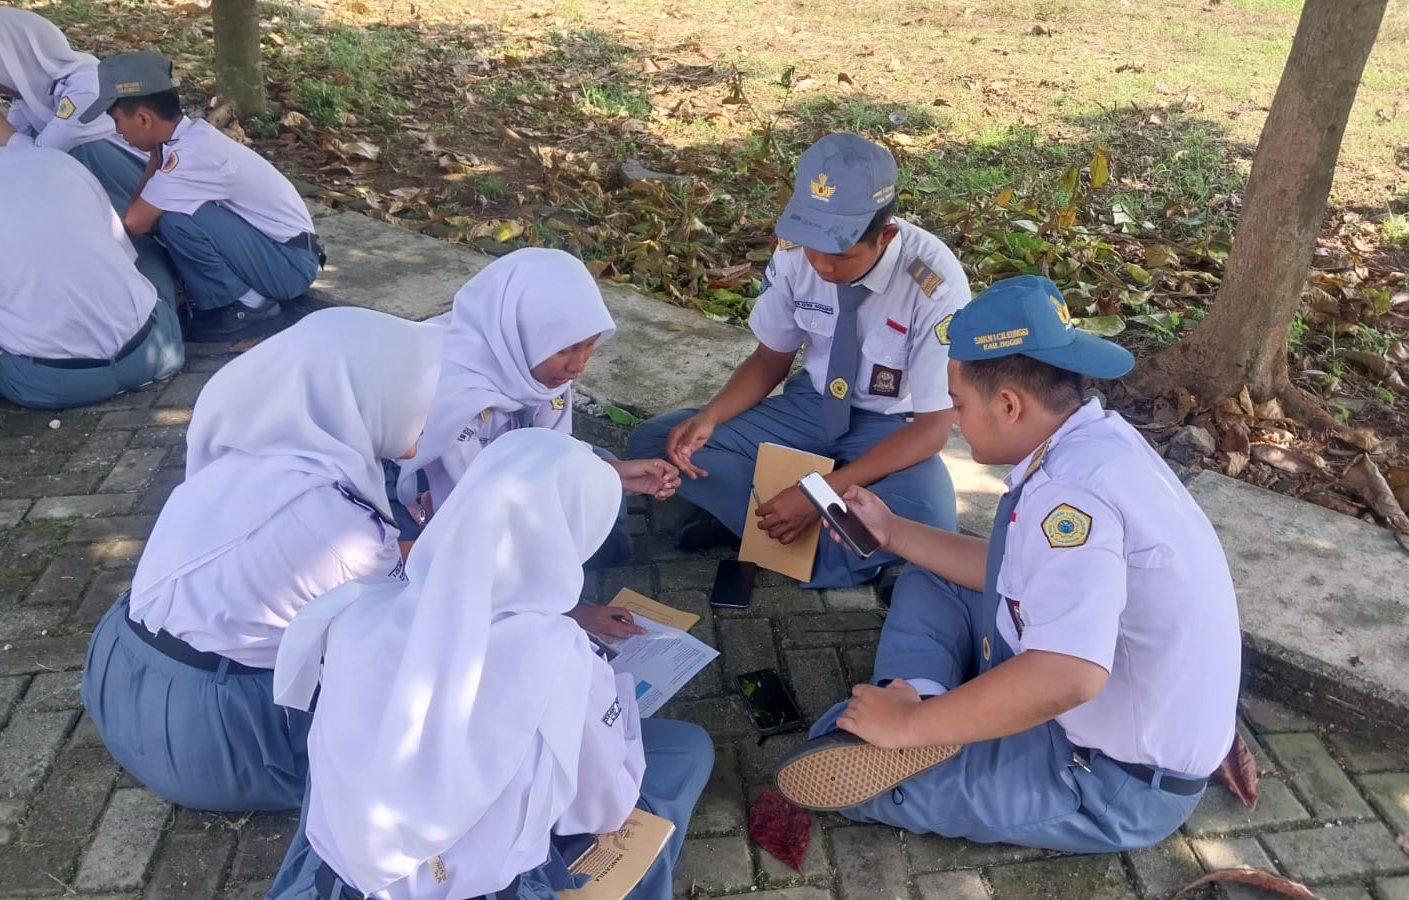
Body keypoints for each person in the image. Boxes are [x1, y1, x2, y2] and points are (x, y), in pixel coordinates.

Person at [772, 275, 1241, 853]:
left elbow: (1069, 674)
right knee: (928, 575)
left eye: (960, 403)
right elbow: (1007, 572)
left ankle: (920, 718)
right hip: (1120, 705)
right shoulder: (1098, 442)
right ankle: (921, 693)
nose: (953, 418)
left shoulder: (1071, 499)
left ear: (1009, 404)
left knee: (837, 741)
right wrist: (892, 531)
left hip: (1108, 780)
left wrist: (907, 727)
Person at [266, 428, 714, 900]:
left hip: (340, 881)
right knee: (686, 751)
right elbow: (601, 808)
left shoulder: (357, 611)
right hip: (474, 890)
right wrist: (612, 701)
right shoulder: (556, 654)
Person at [81, 308, 441, 812]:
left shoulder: (244, 453)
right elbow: (389, 633)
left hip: (117, 676)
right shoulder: (345, 527)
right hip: (209, 742)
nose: (429, 412)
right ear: (371, 396)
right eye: (417, 394)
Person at [629, 133, 968, 590]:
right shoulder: (795, 252)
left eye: (841, 255)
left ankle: (753, 525)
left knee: (932, 518)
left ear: (885, 236)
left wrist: (818, 492)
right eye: (812, 247)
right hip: (810, 407)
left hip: (892, 426)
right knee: (659, 443)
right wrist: (711, 416)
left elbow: (931, 428)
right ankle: (821, 543)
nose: (822, 267)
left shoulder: (934, 282)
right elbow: (771, 359)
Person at [392, 248, 680, 621]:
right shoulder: (448, 389)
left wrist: (614, 472)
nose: (577, 366)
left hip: (500, 473)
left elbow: (552, 453)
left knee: (603, 496)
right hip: (432, 504)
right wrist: (568, 608)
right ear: (519, 332)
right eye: (564, 350)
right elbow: (483, 505)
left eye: (590, 346)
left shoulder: (534, 369)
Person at [81, 51, 323, 343]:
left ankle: (248, 306)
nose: (118, 131)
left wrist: (156, 163)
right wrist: (155, 158)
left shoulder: (188, 156)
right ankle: (235, 298)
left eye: (117, 120)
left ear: (144, 118)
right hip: (281, 252)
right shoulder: (186, 140)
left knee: (174, 218)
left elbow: (135, 222)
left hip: (288, 266)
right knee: (170, 212)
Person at [0, 147, 182, 409]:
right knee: (146, 251)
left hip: (51, 384)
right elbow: (122, 249)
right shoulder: (57, 160)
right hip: (153, 353)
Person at [0, 8, 148, 211]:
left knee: (70, 157)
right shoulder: (29, 96)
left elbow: (39, 161)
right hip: (109, 193)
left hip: (139, 192)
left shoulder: (87, 87)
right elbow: (14, 156)